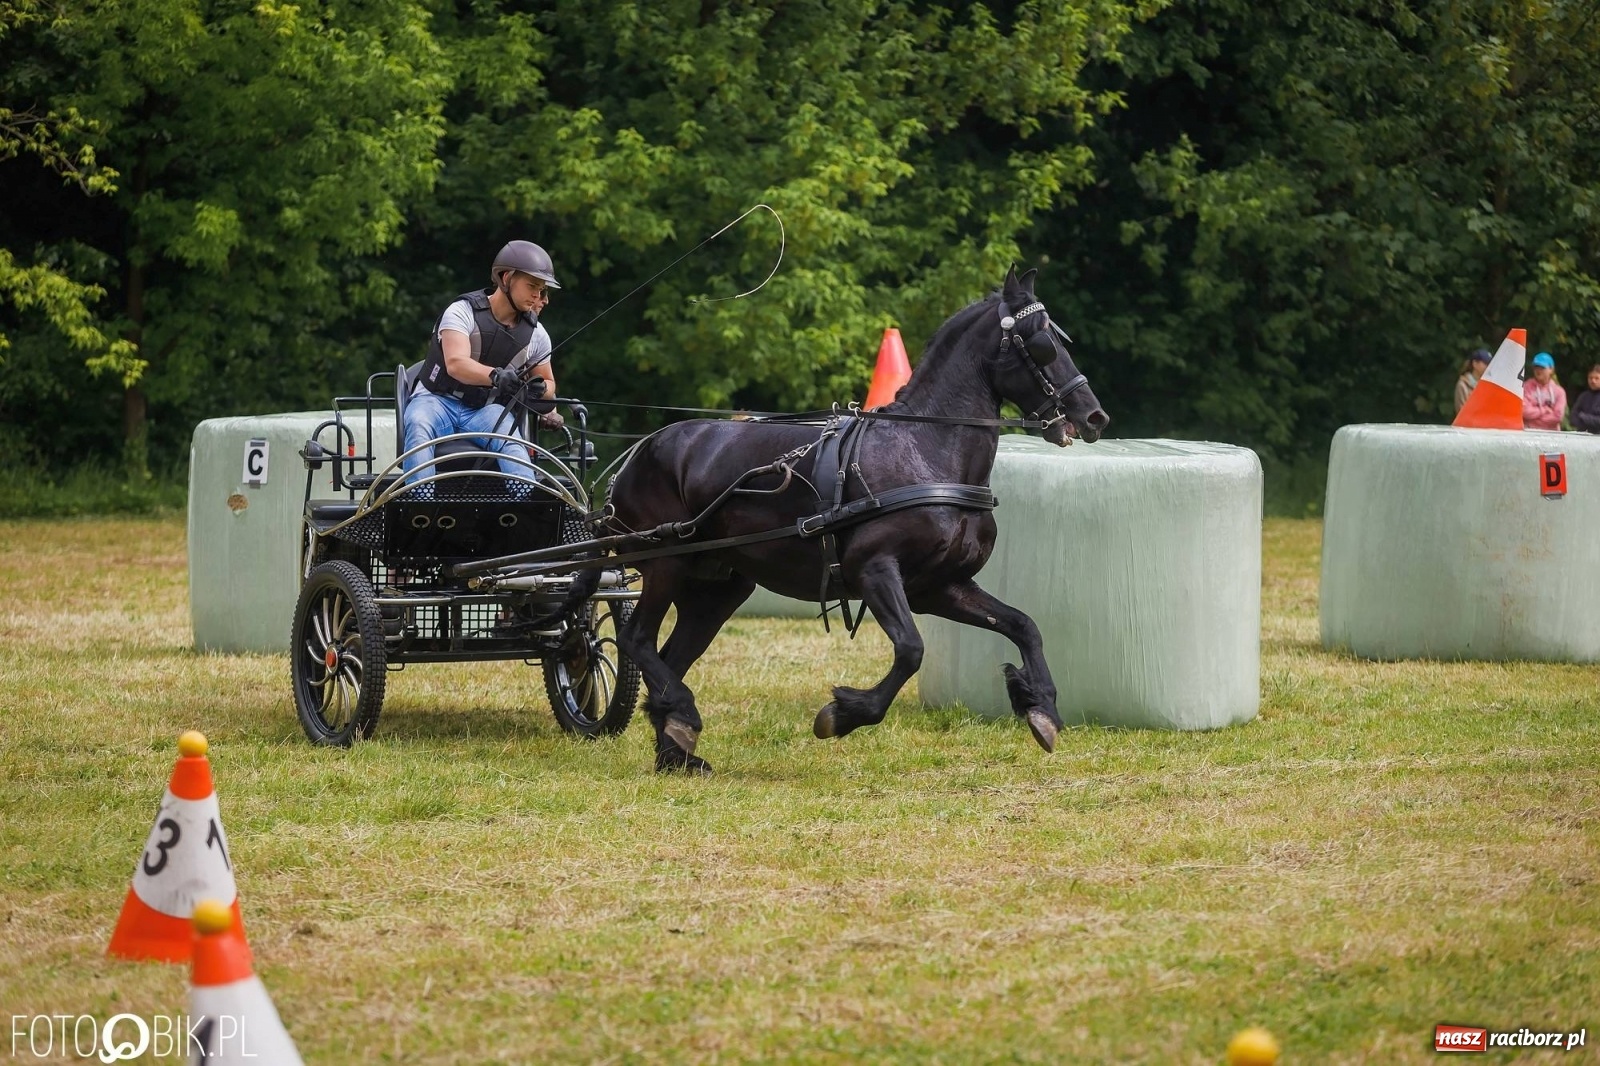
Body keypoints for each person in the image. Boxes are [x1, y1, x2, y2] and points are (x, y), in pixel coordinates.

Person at [402, 240, 565, 484]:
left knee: (513, 442)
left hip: (484, 410)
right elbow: (456, 364)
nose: (538, 295)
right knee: (418, 424)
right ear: (506, 278)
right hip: (435, 401)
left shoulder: (538, 335)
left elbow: (550, 384)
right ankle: (419, 507)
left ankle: (525, 508)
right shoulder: (461, 312)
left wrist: (540, 388)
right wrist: (496, 376)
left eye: (541, 289)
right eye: (532, 285)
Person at [1522, 351, 1567, 431]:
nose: (1538, 370)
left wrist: (1532, 419)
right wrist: (1544, 410)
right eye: (1536, 367)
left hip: (1552, 436)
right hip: (1529, 433)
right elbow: (1524, 411)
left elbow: (1558, 417)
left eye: (1542, 367)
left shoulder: (1559, 392)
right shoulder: (1526, 387)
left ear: (1551, 369)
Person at [1454, 348, 1491, 414]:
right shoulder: (1463, 385)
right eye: (1485, 363)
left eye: (1489, 364)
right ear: (1475, 364)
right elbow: (1461, 413)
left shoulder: (1489, 385)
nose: (1488, 367)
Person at [1569, 363, 1600, 433]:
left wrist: (1584, 417)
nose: (1593, 381)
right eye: (1590, 378)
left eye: (1596, 378)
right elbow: (1573, 417)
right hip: (1583, 435)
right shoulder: (1583, 396)